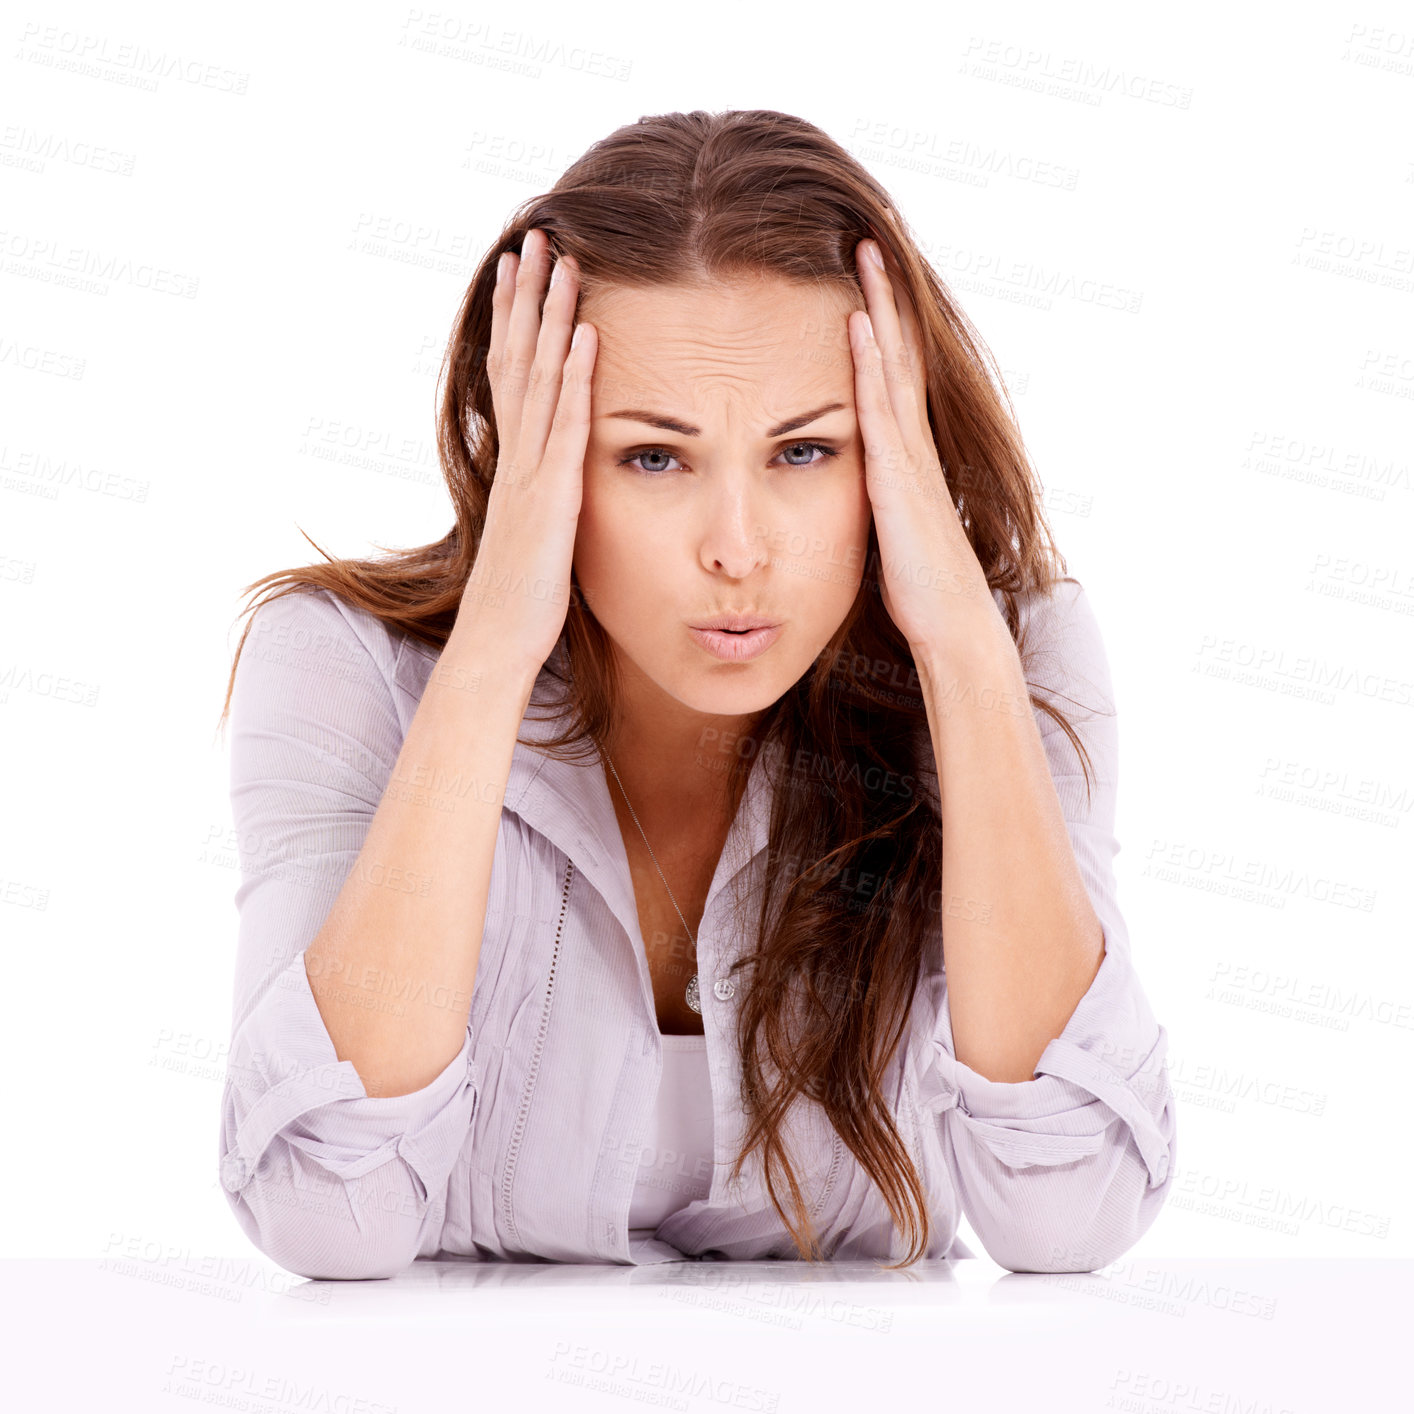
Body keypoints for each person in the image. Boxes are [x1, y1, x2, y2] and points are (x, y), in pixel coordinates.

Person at [214, 108, 1176, 1280]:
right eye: (653, 457)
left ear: (898, 454)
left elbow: (1068, 1212)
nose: (737, 546)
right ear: (538, 448)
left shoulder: (1004, 658)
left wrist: (964, 664)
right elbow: (328, 1213)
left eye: (806, 451)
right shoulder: (343, 665)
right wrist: (494, 645)